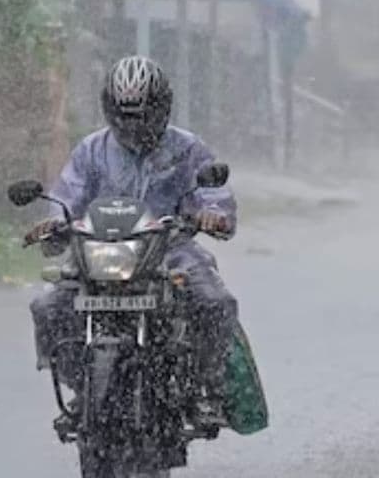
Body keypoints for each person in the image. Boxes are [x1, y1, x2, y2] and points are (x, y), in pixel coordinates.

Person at [27, 56, 238, 427]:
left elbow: (215, 195)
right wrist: (51, 225)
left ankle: (208, 388)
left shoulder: (188, 149)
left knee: (215, 302)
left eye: (141, 114)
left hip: (171, 249)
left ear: (162, 107)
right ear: (109, 109)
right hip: (100, 251)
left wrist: (213, 214)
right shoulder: (91, 151)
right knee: (48, 308)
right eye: (124, 115)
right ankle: (83, 387)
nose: (133, 124)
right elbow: (67, 197)